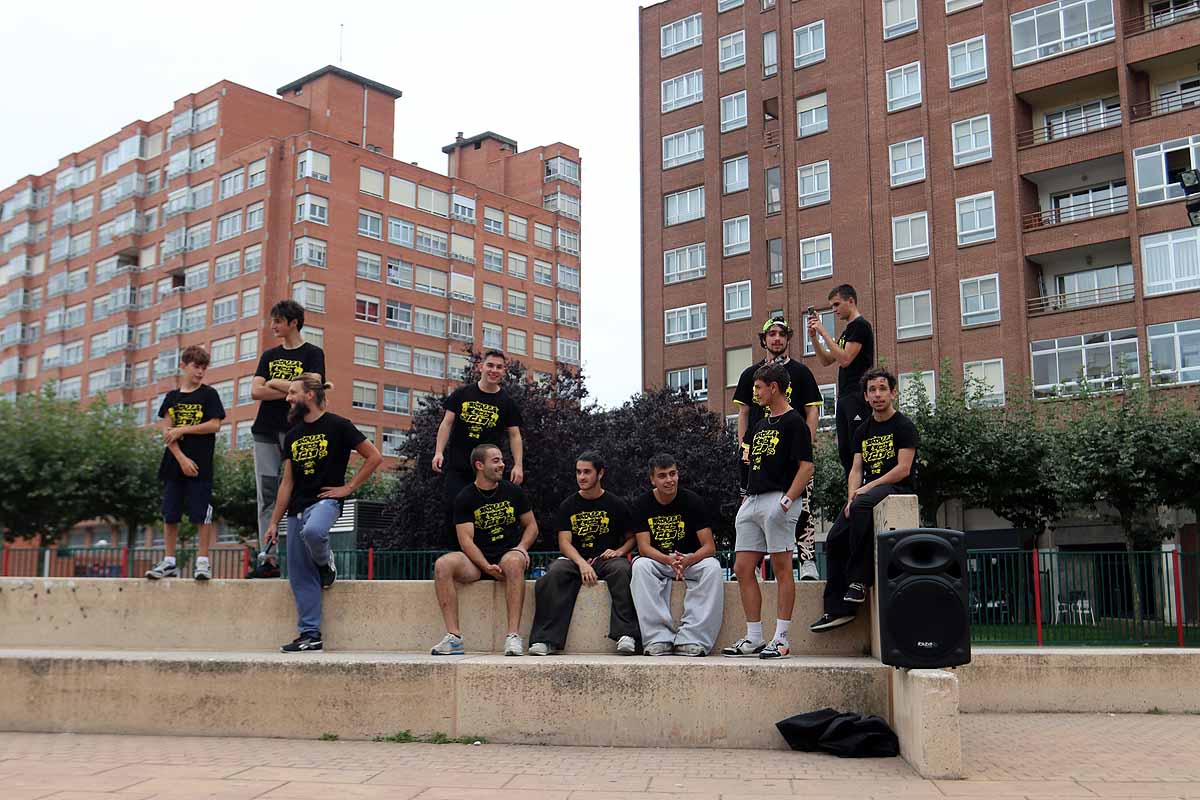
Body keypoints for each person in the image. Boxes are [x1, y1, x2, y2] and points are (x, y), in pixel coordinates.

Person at [266, 374, 382, 652]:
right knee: (299, 574)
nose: (288, 398)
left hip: (325, 500)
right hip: (296, 507)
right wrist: (274, 521)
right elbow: (287, 482)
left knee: (315, 531)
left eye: (293, 393)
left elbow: (374, 456)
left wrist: (348, 487)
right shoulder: (292, 435)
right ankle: (310, 635)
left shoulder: (339, 425)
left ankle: (325, 562)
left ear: (309, 395)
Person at [811, 368, 917, 633]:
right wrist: (851, 496)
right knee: (835, 538)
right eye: (872, 390)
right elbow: (856, 469)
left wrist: (866, 489)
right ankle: (837, 610)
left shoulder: (904, 426)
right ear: (866, 397)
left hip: (896, 488)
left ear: (893, 392)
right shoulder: (862, 430)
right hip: (866, 495)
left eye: (883, 388)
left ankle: (859, 580)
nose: (878, 394)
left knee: (861, 504)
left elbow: (903, 469)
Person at [724, 364, 815, 659]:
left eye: (759, 387)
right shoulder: (759, 425)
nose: (755, 393)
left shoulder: (795, 423)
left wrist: (787, 502)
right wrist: (744, 498)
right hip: (751, 500)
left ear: (773, 387)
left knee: (782, 568)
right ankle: (754, 638)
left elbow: (807, 467)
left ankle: (782, 638)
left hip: (779, 499)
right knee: (741, 568)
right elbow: (746, 461)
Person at [733, 316, 823, 581]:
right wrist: (743, 448)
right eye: (771, 333)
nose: (776, 338)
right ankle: (755, 564)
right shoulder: (750, 375)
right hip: (759, 452)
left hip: (792, 452)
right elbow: (743, 413)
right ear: (764, 339)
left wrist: (806, 443)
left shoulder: (801, 372)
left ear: (788, 339)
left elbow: (812, 411)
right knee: (752, 507)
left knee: (802, 504)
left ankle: (807, 561)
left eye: (781, 334)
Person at [431, 443, 538, 657]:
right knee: (442, 565)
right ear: (480, 465)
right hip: (476, 561)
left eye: (502, 460)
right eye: (496, 460)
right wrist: (485, 566)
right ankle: (454, 638)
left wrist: (522, 547)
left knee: (515, 562)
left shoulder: (513, 491)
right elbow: (466, 541)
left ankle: (513, 636)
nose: (502, 465)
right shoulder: (465, 497)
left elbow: (532, 526)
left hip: (508, 554)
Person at [529, 451, 639, 656]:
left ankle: (626, 635)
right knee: (554, 573)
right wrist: (581, 563)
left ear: (600, 473)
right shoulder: (568, 505)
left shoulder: (616, 504)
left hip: (606, 559)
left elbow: (632, 537)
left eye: (587, 472)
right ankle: (545, 639)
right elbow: (564, 543)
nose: (581, 477)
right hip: (575, 560)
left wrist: (619, 551)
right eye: (578, 472)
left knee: (623, 569)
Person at [248, 299, 326, 578]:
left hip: (298, 432)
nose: (274, 327)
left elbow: (312, 386)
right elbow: (256, 391)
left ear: (293, 322)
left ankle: (306, 557)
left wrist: (274, 383)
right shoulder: (269, 355)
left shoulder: (313, 353)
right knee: (266, 494)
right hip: (265, 432)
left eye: (278, 321)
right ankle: (267, 559)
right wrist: (293, 387)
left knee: (300, 492)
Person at [630, 454, 724, 656]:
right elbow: (643, 547)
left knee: (713, 567)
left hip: (688, 559)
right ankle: (658, 638)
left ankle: (693, 639)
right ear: (652, 479)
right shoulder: (641, 504)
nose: (669, 480)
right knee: (640, 566)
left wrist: (688, 559)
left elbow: (709, 547)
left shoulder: (692, 501)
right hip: (659, 559)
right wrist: (668, 560)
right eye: (662, 476)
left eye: (672, 474)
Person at [146, 346, 225, 581]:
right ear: (183, 366)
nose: (200, 372)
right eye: (196, 367)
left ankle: (203, 563)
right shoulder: (172, 398)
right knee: (170, 513)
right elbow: (167, 433)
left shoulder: (209, 395)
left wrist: (184, 429)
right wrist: (180, 458)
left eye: (203, 368)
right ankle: (169, 562)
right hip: (174, 463)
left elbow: (214, 425)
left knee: (201, 513)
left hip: (200, 464)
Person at [432, 349, 524, 546]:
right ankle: (457, 554)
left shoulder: (506, 403)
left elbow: (515, 435)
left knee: (486, 513)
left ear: (504, 372)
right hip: (460, 466)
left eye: (499, 367)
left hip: (488, 471)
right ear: (481, 367)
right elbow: (447, 423)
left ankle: (488, 555)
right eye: (490, 365)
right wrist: (438, 452)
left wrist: (518, 465)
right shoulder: (462, 394)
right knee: (455, 507)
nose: (494, 370)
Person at [809, 284, 875, 476]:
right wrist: (814, 337)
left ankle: (864, 490)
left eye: (837, 304)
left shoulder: (861, 326)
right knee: (845, 450)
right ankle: (851, 494)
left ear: (851, 301)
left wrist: (824, 332)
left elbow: (845, 359)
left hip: (858, 395)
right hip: (844, 397)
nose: (834, 310)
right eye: (832, 306)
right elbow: (826, 360)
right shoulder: (848, 332)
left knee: (857, 448)